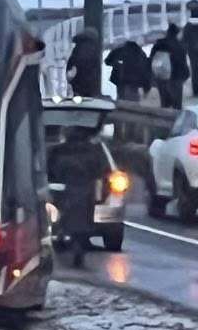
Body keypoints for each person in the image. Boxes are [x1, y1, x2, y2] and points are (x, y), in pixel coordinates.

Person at [49, 127, 108, 266]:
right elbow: (100, 172)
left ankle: (72, 242)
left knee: (69, 219)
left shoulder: (61, 152)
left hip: (68, 190)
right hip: (86, 191)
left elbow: (52, 170)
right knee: (83, 221)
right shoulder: (92, 152)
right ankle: (77, 244)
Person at [150, 22, 188, 112]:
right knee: (177, 105)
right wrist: (185, 75)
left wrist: (152, 76)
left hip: (161, 76)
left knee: (165, 103)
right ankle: (176, 123)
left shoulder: (159, 44)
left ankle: (164, 123)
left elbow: (152, 59)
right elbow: (182, 62)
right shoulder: (179, 45)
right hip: (176, 77)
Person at [106, 37, 151, 102]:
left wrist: (116, 65)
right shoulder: (141, 53)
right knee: (132, 100)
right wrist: (146, 86)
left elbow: (107, 61)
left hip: (121, 80)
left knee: (122, 98)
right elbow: (144, 70)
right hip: (134, 82)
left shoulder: (119, 50)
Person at [66, 27, 103, 100]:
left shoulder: (77, 48)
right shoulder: (92, 48)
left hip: (78, 83)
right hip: (89, 84)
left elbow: (72, 63)